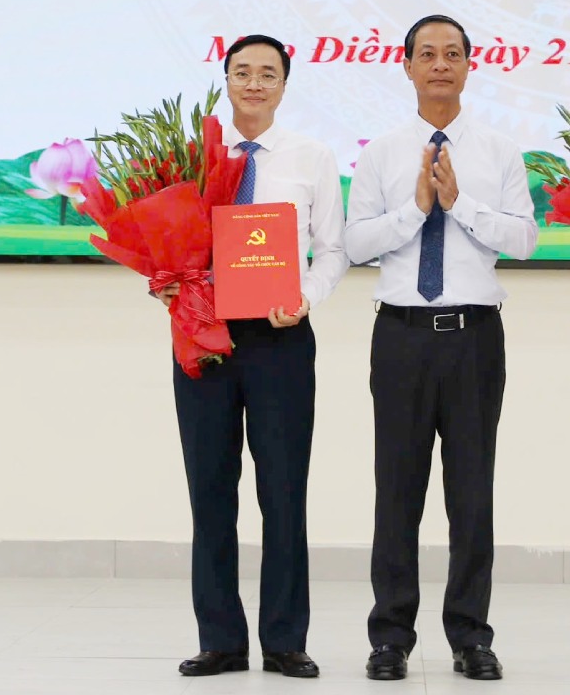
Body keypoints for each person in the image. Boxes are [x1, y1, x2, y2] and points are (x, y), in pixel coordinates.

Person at [344, 14, 538, 682]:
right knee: (396, 489)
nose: (440, 65)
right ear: (406, 66)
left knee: (471, 492)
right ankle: (391, 636)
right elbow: (355, 243)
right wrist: (414, 209)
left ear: (468, 65)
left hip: (474, 339)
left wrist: (459, 205)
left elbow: (523, 241)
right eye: (427, 54)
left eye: (452, 54)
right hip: (399, 336)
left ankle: (470, 636)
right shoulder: (382, 152)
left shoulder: (498, 150)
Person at [158, 34, 348, 678]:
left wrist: (307, 297)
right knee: (210, 489)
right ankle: (220, 638)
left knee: (284, 490)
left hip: (280, 339)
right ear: (226, 80)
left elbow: (336, 248)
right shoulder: (194, 157)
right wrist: (166, 282)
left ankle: (285, 639)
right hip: (203, 338)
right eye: (243, 72)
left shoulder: (311, 157)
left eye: (268, 73)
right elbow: (168, 241)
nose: (255, 83)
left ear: (285, 84)